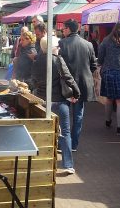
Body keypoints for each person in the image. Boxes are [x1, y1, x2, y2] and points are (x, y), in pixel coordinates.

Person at [32, 36, 80, 175]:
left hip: (43, 101)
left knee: (43, 132)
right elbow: (68, 78)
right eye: (57, 46)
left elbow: (34, 80)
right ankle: (68, 164)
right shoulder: (58, 60)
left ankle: (41, 162)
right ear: (52, 47)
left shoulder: (37, 61)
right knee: (65, 132)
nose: (59, 48)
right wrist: (76, 93)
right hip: (59, 100)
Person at [59, 19, 97, 150]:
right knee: (78, 116)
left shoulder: (62, 43)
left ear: (68, 29)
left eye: (63, 29)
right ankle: (74, 144)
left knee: (63, 114)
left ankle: (63, 143)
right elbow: (93, 65)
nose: (62, 31)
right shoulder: (88, 44)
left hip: (66, 85)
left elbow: (59, 65)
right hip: (82, 85)